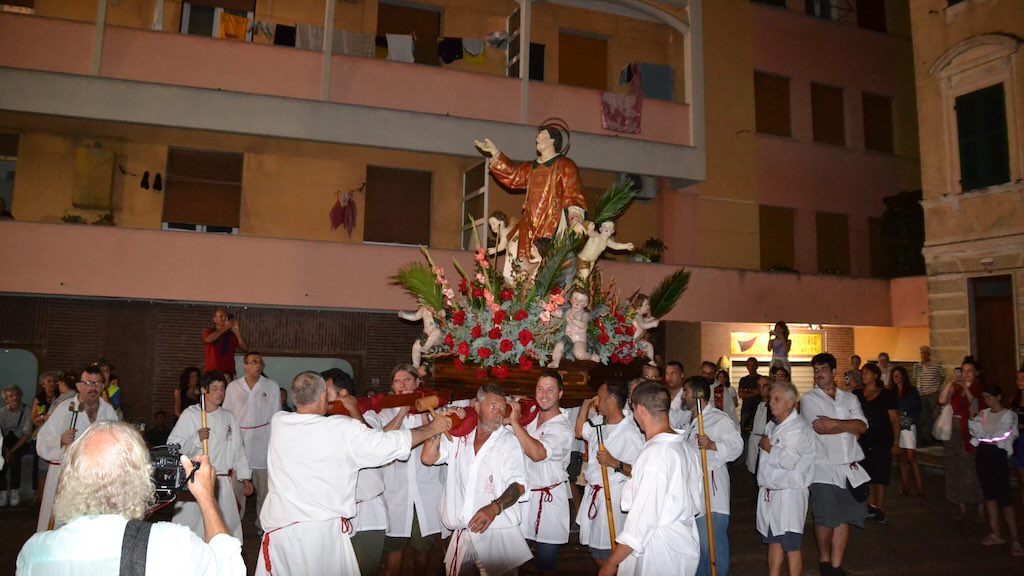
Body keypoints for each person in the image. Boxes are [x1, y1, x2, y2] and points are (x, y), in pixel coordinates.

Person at [257, 371, 449, 574]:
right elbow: (385, 444)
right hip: (318, 537)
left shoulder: (279, 422)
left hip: (280, 534)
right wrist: (431, 428)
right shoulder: (340, 429)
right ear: (323, 396)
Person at [17, 421, 246, 575]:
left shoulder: (34, 551)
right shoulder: (169, 544)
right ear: (143, 478)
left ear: (69, 478)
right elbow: (230, 568)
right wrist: (207, 497)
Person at [422, 383, 532, 575]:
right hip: (463, 535)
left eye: (502, 407)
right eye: (493, 406)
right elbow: (428, 458)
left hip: (497, 536)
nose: (499, 413)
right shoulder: (459, 437)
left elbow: (519, 485)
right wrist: (439, 425)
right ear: (477, 406)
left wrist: (494, 507)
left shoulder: (508, 441)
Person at [599, 381, 704, 576]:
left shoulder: (657, 454)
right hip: (683, 538)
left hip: (658, 548)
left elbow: (643, 518)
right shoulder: (684, 447)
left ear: (639, 409)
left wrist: (612, 562)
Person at [475, 125, 588, 262]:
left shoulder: (565, 165)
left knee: (547, 263)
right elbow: (514, 175)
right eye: (537, 136)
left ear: (552, 140)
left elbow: (573, 194)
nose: (537, 138)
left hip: (552, 222)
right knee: (523, 263)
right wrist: (496, 153)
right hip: (529, 223)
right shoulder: (532, 167)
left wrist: (575, 219)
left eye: (542, 135)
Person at [800, 353, 868, 576]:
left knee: (844, 517)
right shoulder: (810, 399)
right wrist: (848, 425)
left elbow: (862, 427)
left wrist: (836, 423)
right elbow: (821, 427)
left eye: (823, 370)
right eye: (816, 370)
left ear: (833, 372)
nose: (819, 374)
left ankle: (837, 566)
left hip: (849, 467)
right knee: (825, 517)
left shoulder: (849, 399)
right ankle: (825, 560)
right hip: (823, 467)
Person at [168, 371, 253, 542]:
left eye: (222, 388)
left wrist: (245, 478)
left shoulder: (228, 417)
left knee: (224, 530)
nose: (220, 393)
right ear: (203, 390)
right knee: (190, 531)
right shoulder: (190, 415)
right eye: (214, 388)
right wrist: (195, 439)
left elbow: (238, 449)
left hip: (221, 481)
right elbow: (172, 447)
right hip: (196, 480)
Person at [378, 364, 447, 576]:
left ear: (418, 383)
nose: (402, 385)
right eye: (397, 381)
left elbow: (435, 441)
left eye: (407, 380)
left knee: (421, 549)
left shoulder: (433, 410)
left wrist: (423, 412)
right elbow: (380, 441)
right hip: (395, 493)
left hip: (425, 491)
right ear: (392, 386)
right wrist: (403, 411)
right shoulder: (383, 412)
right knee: (394, 548)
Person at [35, 365, 119, 532]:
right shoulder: (65, 409)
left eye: (97, 383)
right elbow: (42, 441)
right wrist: (60, 440)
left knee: (90, 523)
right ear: (79, 386)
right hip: (65, 475)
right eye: (88, 383)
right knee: (61, 523)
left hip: (95, 478)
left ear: (103, 386)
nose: (93, 388)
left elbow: (117, 440)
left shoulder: (108, 411)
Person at [322, 368, 389, 576]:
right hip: (336, 511)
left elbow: (373, 447)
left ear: (343, 395)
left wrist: (353, 411)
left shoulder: (369, 415)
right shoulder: (324, 422)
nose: (321, 398)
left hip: (369, 511)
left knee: (366, 568)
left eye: (326, 392)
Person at [507, 370, 574, 574]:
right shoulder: (530, 416)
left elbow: (537, 453)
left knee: (546, 564)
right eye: (540, 388)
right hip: (523, 498)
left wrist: (515, 422)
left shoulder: (562, 428)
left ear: (560, 394)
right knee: (513, 560)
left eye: (550, 390)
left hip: (549, 502)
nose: (544, 394)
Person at [574, 382, 644, 568]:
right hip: (594, 494)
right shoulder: (598, 423)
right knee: (595, 550)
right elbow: (580, 431)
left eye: (599, 396)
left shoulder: (630, 433)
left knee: (605, 553)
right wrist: (585, 405)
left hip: (612, 497)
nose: (597, 400)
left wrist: (614, 463)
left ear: (612, 401)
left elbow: (640, 472)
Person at [681, 376, 743, 576]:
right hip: (694, 490)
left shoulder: (718, 419)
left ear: (698, 395)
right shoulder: (688, 421)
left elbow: (736, 446)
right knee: (699, 546)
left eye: (686, 391)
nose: (682, 395)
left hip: (712, 492)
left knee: (712, 545)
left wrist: (712, 445)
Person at [756, 381, 816, 576]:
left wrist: (769, 448)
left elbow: (789, 460)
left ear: (790, 403)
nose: (771, 403)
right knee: (774, 540)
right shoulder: (773, 426)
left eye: (777, 399)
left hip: (789, 494)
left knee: (791, 544)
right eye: (770, 398)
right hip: (771, 494)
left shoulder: (798, 428)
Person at [223, 352, 280, 532]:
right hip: (240, 442)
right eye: (253, 362)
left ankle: (262, 524)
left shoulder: (271, 386)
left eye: (260, 362)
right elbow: (227, 415)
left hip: (263, 443)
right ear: (245, 365)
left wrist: (274, 444)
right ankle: (234, 523)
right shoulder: (233, 387)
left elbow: (276, 416)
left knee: (264, 489)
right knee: (236, 488)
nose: (258, 365)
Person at [969, 385, 1023, 555]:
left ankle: (1015, 539)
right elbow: (975, 431)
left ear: (998, 397)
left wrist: (985, 436)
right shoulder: (984, 414)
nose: (987, 401)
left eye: (990, 397)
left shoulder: (1008, 415)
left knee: (1004, 497)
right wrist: (973, 417)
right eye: (985, 398)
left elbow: (1004, 434)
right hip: (984, 454)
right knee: (989, 496)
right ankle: (996, 533)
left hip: (997, 455)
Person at [938, 356, 984, 519]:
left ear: (976, 373)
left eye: (969, 371)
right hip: (953, 431)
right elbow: (942, 400)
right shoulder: (956, 388)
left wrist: (965, 388)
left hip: (969, 431)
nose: (966, 374)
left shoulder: (978, 389)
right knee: (954, 466)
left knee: (970, 468)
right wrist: (951, 382)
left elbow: (975, 406)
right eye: (963, 371)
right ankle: (961, 504)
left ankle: (979, 502)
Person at [853, 363, 899, 524]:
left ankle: (880, 507)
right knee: (866, 474)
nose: (863, 375)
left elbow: (894, 420)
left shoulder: (886, 395)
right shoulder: (857, 394)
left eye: (866, 373)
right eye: (862, 373)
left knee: (880, 475)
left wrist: (895, 442)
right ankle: (869, 505)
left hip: (882, 440)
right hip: (863, 440)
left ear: (875, 376)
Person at [889, 366, 924, 498]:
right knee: (902, 458)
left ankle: (920, 488)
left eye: (898, 375)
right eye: (894, 375)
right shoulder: (892, 392)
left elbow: (917, 408)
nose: (896, 377)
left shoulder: (912, 390)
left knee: (912, 457)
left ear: (903, 376)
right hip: (898, 427)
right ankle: (905, 486)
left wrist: (907, 416)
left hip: (909, 425)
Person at [31, 371, 61, 502]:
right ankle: (39, 494)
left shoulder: (59, 398)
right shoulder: (39, 399)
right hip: (41, 434)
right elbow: (34, 420)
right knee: (39, 464)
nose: (51, 385)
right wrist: (45, 417)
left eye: (53, 381)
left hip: (55, 434)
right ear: (43, 384)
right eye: (48, 382)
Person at [1, 385, 32, 507]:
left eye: (16, 395)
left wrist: (12, 450)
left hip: (20, 443)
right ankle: (2, 491)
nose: (14, 398)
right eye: (10, 396)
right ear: (6, 399)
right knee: (1, 460)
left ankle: (14, 490)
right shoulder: (1, 412)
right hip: (5, 443)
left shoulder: (27, 410)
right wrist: (5, 450)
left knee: (15, 458)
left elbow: (26, 433)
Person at [550, 290, 599, 368]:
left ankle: (590, 356)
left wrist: (573, 320)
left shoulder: (584, 314)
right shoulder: (567, 311)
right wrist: (549, 308)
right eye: (575, 299)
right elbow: (557, 313)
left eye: (581, 301)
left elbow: (583, 325)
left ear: (586, 304)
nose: (577, 302)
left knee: (579, 354)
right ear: (571, 300)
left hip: (579, 340)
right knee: (559, 346)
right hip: (567, 338)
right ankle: (555, 361)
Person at [913, 345, 944, 447]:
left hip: (932, 394)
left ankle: (934, 438)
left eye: (925, 352)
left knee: (933, 416)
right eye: (922, 352)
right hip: (921, 394)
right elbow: (915, 379)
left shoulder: (936, 366)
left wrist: (936, 389)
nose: (923, 355)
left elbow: (942, 377)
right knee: (924, 417)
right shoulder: (917, 366)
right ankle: (925, 439)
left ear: (929, 354)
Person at [202, 308, 247, 380]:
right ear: (214, 319)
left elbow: (245, 348)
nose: (224, 318)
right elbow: (208, 339)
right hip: (212, 372)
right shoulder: (209, 331)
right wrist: (226, 327)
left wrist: (237, 332)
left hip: (229, 373)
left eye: (225, 317)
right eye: (221, 316)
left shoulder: (232, 335)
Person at [746, 375, 772, 475]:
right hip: (754, 438)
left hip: (767, 440)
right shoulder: (754, 402)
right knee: (752, 470)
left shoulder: (774, 404)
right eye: (759, 385)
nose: (761, 388)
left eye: (764, 385)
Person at [1010, 367, 1024, 514]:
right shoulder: (1015, 398)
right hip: (1018, 441)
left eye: (1022, 379)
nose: (1019, 382)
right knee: (1021, 480)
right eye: (1017, 379)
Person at [737, 357, 762, 434]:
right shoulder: (743, 380)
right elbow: (741, 394)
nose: (751, 367)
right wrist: (755, 392)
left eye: (753, 365)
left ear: (757, 366)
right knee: (744, 431)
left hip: (758, 408)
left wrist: (747, 391)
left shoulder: (761, 378)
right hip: (746, 409)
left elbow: (761, 392)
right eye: (749, 365)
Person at [665, 360, 689, 429]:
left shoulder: (687, 396)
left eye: (673, 373)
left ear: (682, 375)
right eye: (667, 373)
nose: (669, 377)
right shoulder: (662, 395)